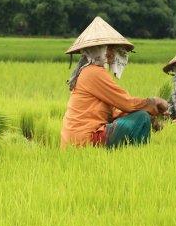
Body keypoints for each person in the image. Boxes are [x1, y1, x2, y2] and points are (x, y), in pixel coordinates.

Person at [61, 17, 169, 149]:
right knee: (141, 118)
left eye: (112, 49)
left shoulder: (90, 71)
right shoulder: (93, 72)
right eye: (106, 48)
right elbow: (127, 103)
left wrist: (152, 114)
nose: (111, 53)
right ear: (95, 50)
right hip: (85, 140)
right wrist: (154, 102)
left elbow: (115, 111)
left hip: (78, 139)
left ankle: (134, 156)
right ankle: (137, 156)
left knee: (143, 116)